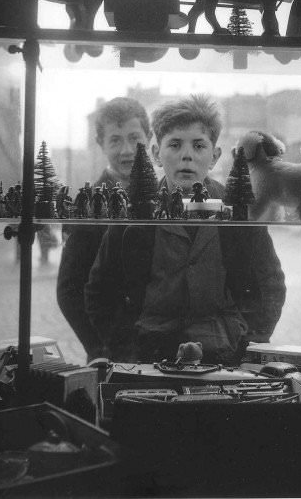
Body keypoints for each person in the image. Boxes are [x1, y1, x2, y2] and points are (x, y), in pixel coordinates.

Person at [84, 94, 286, 365]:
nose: (187, 155)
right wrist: (125, 351)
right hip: (150, 352)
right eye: (175, 145)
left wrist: (250, 345)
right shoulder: (136, 212)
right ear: (156, 154)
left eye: (199, 145)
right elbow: (99, 291)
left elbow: (270, 282)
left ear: (214, 157)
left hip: (223, 352)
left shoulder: (237, 211)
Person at [57, 96, 152, 361]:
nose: (126, 150)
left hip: (163, 345)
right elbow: (68, 290)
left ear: (149, 136)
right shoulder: (88, 204)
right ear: (101, 144)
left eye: (135, 138)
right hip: (114, 352)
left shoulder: (165, 193)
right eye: (115, 140)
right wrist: (99, 348)